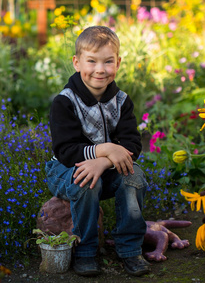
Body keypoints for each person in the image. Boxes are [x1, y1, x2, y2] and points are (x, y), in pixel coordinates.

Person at [45, 26, 150, 277]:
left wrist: (103, 163)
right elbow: (66, 151)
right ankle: (86, 250)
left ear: (118, 63)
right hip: (65, 169)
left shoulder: (122, 101)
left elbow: (133, 145)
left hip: (107, 169)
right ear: (77, 62)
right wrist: (106, 149)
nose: (100, 69)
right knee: (85, 182)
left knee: (133, 177)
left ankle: (130, 249)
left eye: (108, 61)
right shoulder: (65, 102)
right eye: (91, 61)